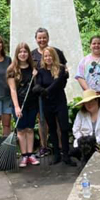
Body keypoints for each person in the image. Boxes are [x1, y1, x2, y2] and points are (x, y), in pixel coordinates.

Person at [34, 47, 76, 166]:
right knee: (52, 129)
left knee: (63, 128)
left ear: (54, 56)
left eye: (50, 56)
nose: (48, 58)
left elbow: (58, 84)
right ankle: (56, 155)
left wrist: (45, 91)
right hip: (47, 103)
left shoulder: (61, 69)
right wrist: (43, 91)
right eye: (45, 56)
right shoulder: (41, 71)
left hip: (59, 101)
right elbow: (38, 85)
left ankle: (66, 155)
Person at [31, 27, 68, 157]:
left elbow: (64, 72)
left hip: (56, 94)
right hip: (41, 95)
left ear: (48, 38)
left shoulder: (57, 52)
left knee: (60, 123)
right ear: (36, 39)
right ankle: (44, 146)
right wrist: (42, 91)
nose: (42, 40)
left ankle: (61, 147)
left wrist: (60, 81)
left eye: (44, 37)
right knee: (42, 121)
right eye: (39, 38)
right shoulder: (32, 55)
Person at [7, 42, 40, 168]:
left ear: (28, 54)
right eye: (20, 52)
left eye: (25, 51)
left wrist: (35, 76)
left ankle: (31, 154)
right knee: (21, 130)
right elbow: (13, 90)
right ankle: (24, 155)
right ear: (17, 54)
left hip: (32, 103)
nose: (23, 54)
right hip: (19, 104)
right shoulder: (12, 70)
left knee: (30, 129)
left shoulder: (33, 69)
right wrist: (16, 107)